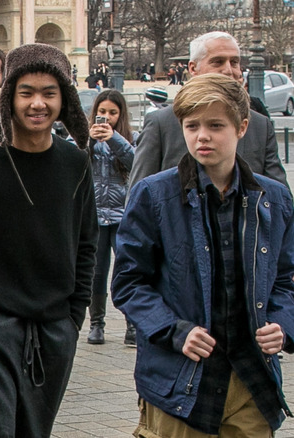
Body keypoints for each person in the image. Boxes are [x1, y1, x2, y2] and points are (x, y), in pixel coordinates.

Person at [112, 73, 294, 436]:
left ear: (241, 127)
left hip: (249, 379)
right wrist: (175, 330)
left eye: (215, 125)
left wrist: (283, 325)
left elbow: (287, 279)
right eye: (192, 126)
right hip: (180, 379)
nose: (202, 136)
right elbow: (129, 283)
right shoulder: (154, 195)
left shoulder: (272, 199)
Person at [0, 43, 98, 437]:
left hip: (54, 331)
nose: (37, 104)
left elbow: (86, 244)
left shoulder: (76, 162)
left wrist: (73, 320)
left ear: (65, 99)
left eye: (49, 93)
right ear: (9, 94)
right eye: (26, 92)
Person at [128, 31, 287, 193]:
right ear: (193, 68)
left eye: (234, 62)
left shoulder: (260, 125)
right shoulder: (161, 123)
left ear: (242, 127)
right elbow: (139, 197)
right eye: (218, 62)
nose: (228, 70)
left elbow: (279, 199)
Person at [85, 90, 138, 347]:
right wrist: (89, 140)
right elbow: (76, 164)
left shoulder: (129, 138)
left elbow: (137, 164)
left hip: (122, 216)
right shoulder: (85, 137)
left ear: (121, 115)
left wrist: (115, 139)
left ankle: (132, 324)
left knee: (126, 270)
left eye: (112, 113)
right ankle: (96, 324)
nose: (106, 118)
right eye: (102, 112)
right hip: (94, 216)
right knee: (97, 272)